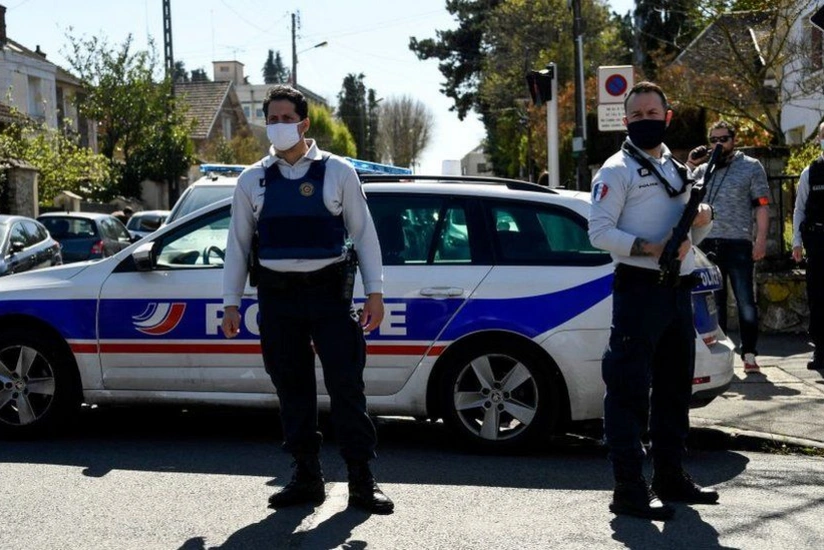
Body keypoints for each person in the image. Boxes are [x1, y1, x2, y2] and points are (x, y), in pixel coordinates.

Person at [221, 84, 393, 514]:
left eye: (286, 118)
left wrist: (376, 292)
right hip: (278, 301)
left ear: (304, 123)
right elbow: (238, 246)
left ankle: (361, 480)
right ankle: (306, 476)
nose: (278, 126)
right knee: (291, 389)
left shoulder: (338, 172)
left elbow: (365, 234)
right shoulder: (251, 179)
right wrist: (230, 303)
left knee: (346, 387)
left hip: (329, 295)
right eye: (272, 119)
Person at [588, 81, 719, 521]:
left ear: (668, 116)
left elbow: (690, 230)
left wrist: (701, 220)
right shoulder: (615, 170)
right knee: (627, 392)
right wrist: (651, 246)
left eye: (652, 113)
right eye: (637, 114)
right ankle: (628, 487)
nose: (645, 119)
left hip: (677, 290)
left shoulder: (674, 167)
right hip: (639, 290)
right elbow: (600, 233)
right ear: (625, 122)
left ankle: (670, 476)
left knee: (673, 390)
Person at [686, 121, 771, 374]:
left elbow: (762, 206)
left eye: (723, 139)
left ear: (733, 139)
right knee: (715, 303)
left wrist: (760, 239)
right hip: (707, 243)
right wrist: (691, 164)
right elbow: (678, 190)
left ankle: (749, 353)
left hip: (738, 242)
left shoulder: (751, 167)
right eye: (713, 140)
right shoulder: (703, 170)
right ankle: (722, 357)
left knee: (745, 300)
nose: (718, 144)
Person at [792, 121, 824, 371]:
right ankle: (821, 353)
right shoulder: (810, 172)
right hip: (819, 243)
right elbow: (799, 209)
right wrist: (796, 243)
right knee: (818, 299)